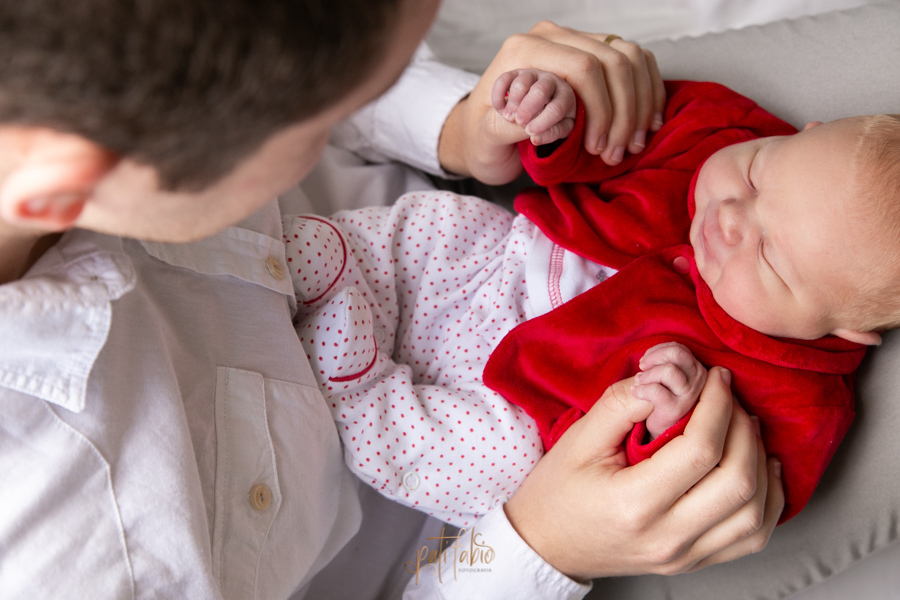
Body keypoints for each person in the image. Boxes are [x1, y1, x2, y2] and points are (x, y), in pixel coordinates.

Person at [0, 1, 781, 597]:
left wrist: (453, 124)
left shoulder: (85, 91)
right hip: (512, 531)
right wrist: (541, 549)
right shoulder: (70, 543)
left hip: (548, 205)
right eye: (308, 129)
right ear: (63, 188)